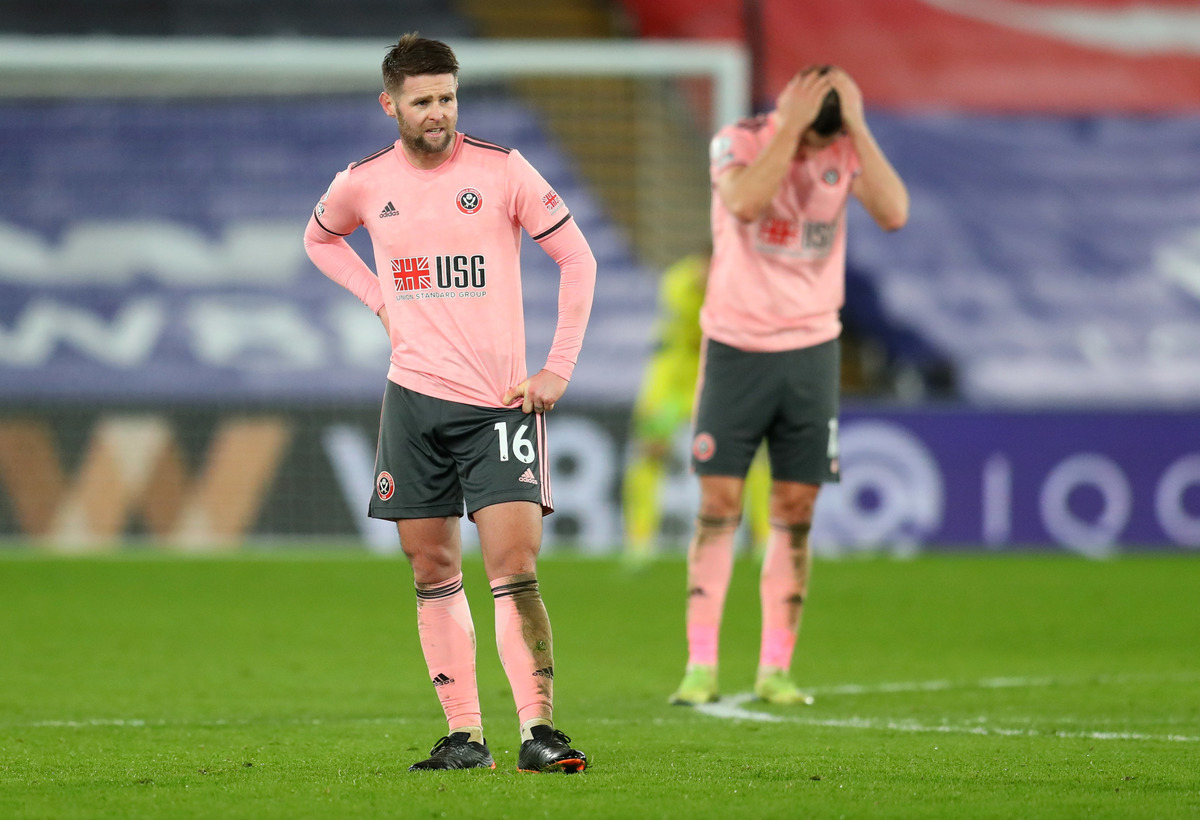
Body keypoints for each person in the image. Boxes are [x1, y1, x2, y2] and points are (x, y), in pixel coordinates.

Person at [303, 33, 595, 773]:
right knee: (431, 567)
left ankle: (539, 731)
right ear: (390, 104)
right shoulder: (363, 183)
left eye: (447, 97)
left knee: (515, 566)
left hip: (500, 405)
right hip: (413, 402)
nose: (438, 112)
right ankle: (465, 736)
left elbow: (578, 258)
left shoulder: (502, 170)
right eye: (423, 100)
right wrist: (380, 300)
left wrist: (557, 368)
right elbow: (319, 239)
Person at [669, 65, 909, 706]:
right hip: (737, 347)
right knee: (719, 502)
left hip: (811, 351)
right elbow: (745, 203)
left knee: (796, 508)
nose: (819, 148)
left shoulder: (843, 146)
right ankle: (700, 665)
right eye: (814, 135)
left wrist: (856, 126)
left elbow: (894, 212)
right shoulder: (740, 140)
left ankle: (775, 668)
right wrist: (789, 130)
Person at [622, 251, 770, 566]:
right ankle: (640, 541)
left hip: (718, 385)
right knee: (649, 453)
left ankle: (764, 540)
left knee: (752, 456)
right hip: (672, 386)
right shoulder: (678, 281)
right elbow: (692, 314)